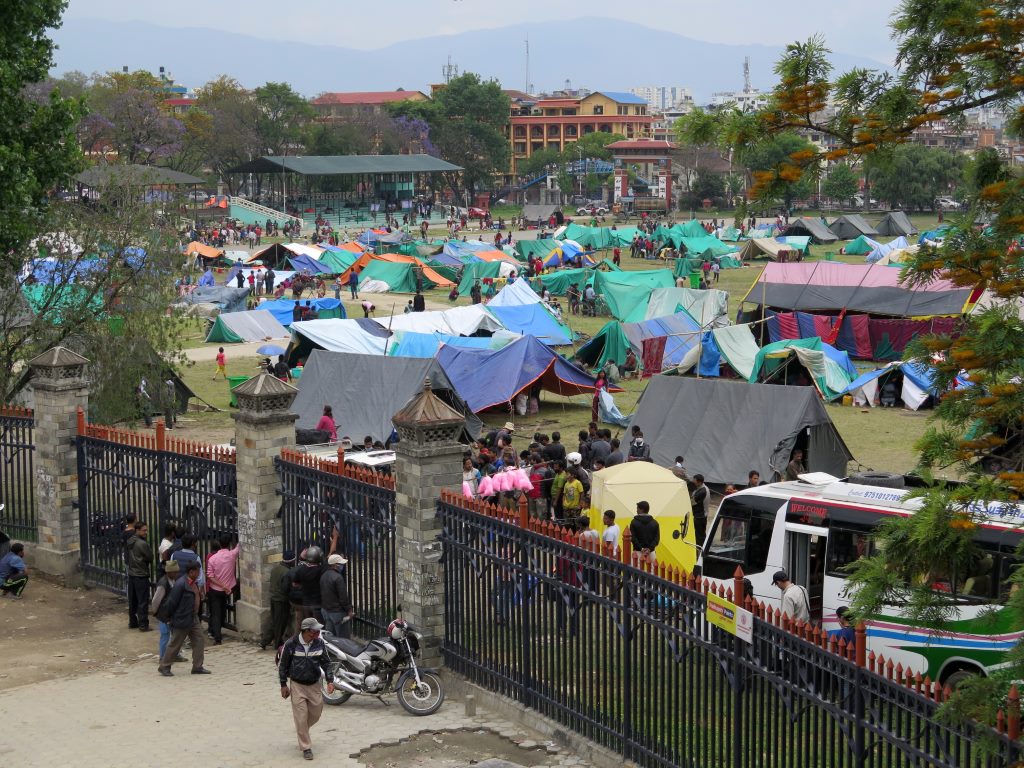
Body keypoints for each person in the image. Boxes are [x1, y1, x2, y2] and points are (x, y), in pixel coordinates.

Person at [279, 617, 335, 761]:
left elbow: (327, 663)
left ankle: (302, 729)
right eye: (314, 631)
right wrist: (283, 684)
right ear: (306, 631)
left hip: (314, 685)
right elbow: (283, 665)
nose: (317, 633)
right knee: (301, 716)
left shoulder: (319, 644)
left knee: (316, 712)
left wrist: (330, 680)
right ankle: (306, 747)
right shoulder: (291, 644)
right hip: (297, 685)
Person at [157, 560, 210, 676]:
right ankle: (164, 666)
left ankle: (197, 666)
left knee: (199, 640)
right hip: (182, 618)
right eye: (197, 571)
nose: (199, 574)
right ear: (191, 572)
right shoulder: (181, 584)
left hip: (193, 617)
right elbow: (172, 603)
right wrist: (169, 618)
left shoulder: (192, 583)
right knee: (175, 643)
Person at [206, 533, 240, 645]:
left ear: (219, 544)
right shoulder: (232, 555)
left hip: (215, 589)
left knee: (216, 613)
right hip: (228, 589)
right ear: (229, 544)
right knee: (222, 610)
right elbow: (239, 546)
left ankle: (217, 637)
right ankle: (220, 630)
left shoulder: (212, 559)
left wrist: (221, 585)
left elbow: (210, 576)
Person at [262, 549, 296, 651]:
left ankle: (265, 641)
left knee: (274, 621)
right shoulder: (287, 572)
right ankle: (277, 643)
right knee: (280, 623)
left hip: (273, 598)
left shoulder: (275, 569)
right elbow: (286, 588)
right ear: (290, 561)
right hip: (281, 600)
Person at [150, 558, 180, 660]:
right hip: (164, 613)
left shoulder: (173, 580)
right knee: (165, 635)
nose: (177, 574)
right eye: (175, 572)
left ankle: (176, 655)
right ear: (169, 572)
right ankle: (162, 657)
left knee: (175, 635)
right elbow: (155, 600)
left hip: (171, 612)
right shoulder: (163, 584)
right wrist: (155, 612)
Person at [320, 553, 352, 639]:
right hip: (337, 612)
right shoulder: (338, 578)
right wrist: (349, 610)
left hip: (326, 610)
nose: (342, 566)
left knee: (330, 637)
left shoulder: (324, 575)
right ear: (335, 565)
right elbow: (343, 597)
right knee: (343, 638)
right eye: (341, 564)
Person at [690, 474, 711, 544]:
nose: (693, 482)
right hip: (701, 515)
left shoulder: (702, 491)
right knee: (701, 534)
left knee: (699, 536)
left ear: (699, 482)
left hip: (700, 516)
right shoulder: (703, 488)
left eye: (694, 480)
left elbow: (691, 502)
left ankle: (699, 551)